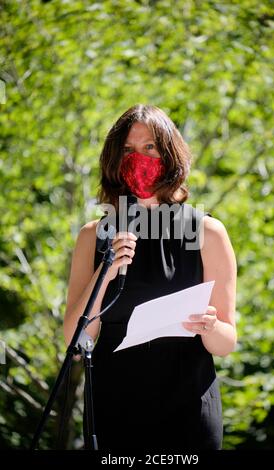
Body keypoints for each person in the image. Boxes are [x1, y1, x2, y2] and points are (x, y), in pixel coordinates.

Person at [63, 104, 237, 453]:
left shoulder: (208, 233)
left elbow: (226, 343)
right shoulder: (93, 236)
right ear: (114, 159)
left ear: (170, 155)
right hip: (115, 411)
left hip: (188, 410)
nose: (138, 158)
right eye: (128, 149)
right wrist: (106, 270)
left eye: (150, 147)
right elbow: (76, 342)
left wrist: (210, 326)